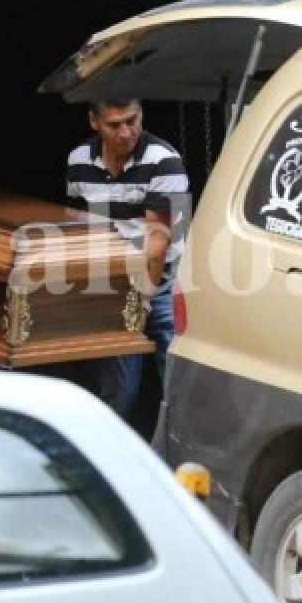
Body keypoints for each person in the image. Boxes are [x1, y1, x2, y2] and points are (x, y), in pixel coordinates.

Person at [65, 98, 189, 419]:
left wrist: (143, 301)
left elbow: (158, 240)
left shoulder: (164, 161)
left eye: (132, 120)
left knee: (175, 387)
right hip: (114, 285)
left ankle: (177, 463)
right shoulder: (79, 160)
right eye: (114, 124)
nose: (126, 131)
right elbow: (77, 223)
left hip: (161, 284)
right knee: (118, 390)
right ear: (94, 122)